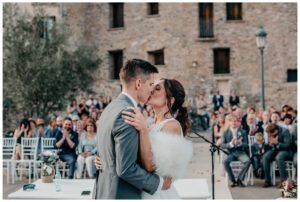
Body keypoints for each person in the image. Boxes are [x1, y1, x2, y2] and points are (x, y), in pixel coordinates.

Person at [93, 59, 172, 199]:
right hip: (121, 194)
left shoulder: (110, 108)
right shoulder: (128, 114)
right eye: (150, 84)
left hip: (105, 191)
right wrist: (159, 183)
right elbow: (126, 169)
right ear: (138, 84)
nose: (151, 90)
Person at [122, 78, 193, 199]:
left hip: (157, 194)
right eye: (152, 86)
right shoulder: (152, 125)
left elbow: (151, 166)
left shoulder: (172, 125)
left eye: (158, 88)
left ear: (170, 100)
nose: (151, 90)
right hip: (144, 190)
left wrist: (143, 130)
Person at [221, 114, 251, 187]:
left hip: (240, 152)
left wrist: (240, 143)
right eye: (231, 121)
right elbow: (223, 145)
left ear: (238, 122)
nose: (234, 123)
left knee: (248, 161)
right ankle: (233, 180)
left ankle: (240, 179)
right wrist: (231, 144)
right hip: (231, 153)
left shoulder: (243, 132)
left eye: (235, 121)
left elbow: (246, 145)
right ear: (229, 122)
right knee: (225, 162)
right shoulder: (225, 132)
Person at [262, 123, 291, 187]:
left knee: (279, 157)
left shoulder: (285, 131)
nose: (269, 135)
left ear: (276, 131)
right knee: (265, 157)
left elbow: (287, 145)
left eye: (271, 134)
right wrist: (268, 144)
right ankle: (267, 180)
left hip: (285, 151)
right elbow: (268, 144)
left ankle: (284, 182)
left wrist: (277, 143)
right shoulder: (271, 132)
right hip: (274, 150)